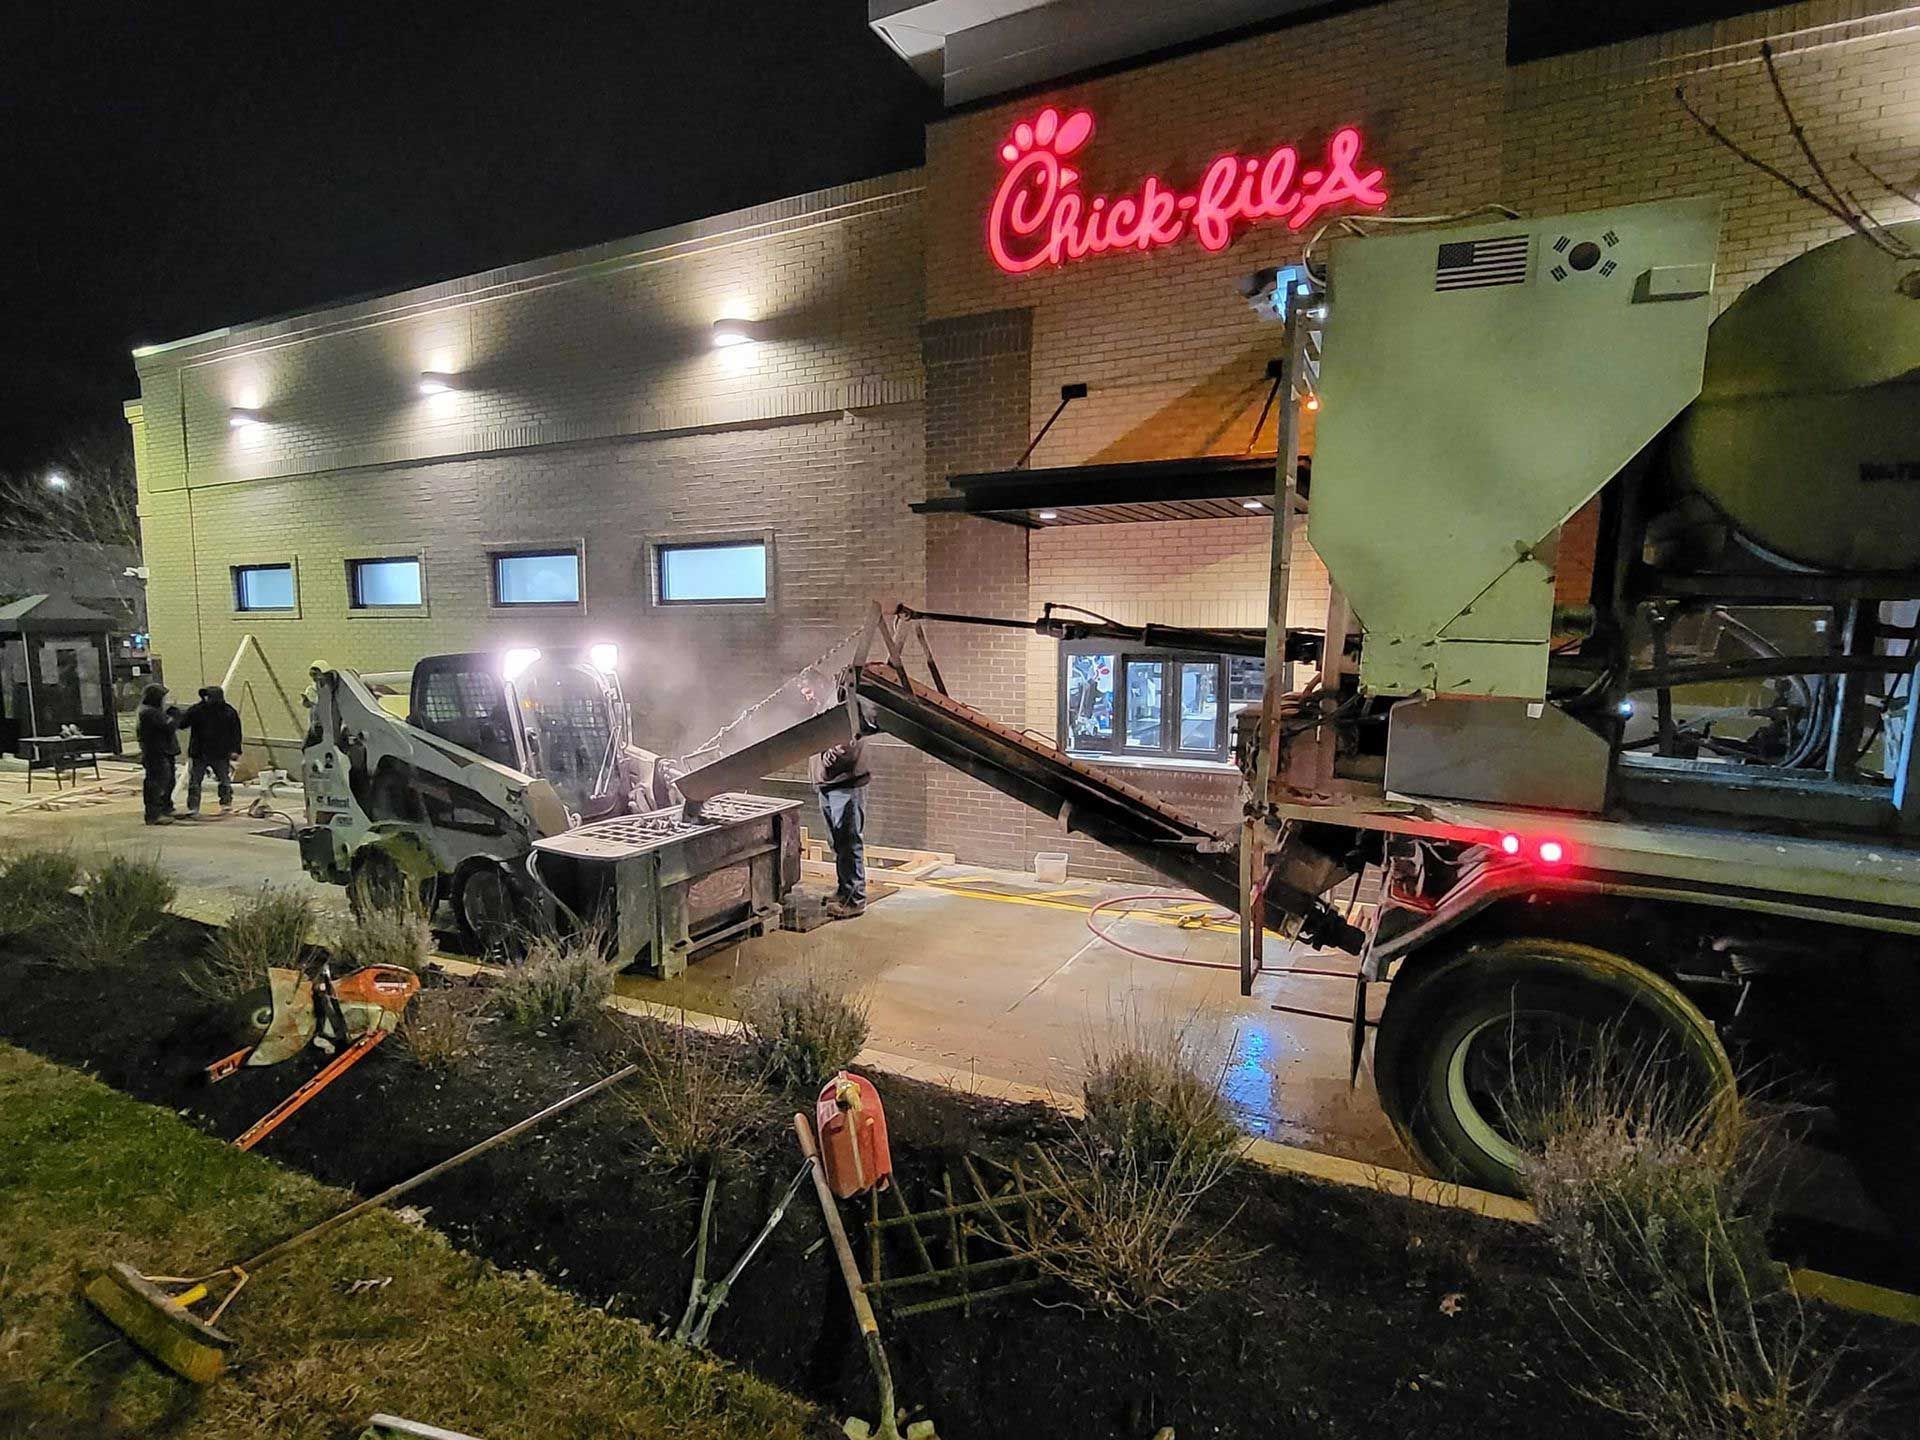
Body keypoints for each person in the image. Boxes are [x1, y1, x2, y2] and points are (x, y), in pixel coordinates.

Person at [799, 669, 873, 920]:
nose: (807, 697)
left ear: (819, 684)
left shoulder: (841, 701)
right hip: (829, 785)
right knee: (837, 842)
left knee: (849, 841)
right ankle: (844, 891)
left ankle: (855, 899)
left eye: (808, 691)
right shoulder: (822, 704)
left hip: (845, 784)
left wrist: (826, 765)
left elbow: (848, 742)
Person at [178, 683, 244, 816]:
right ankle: (193, 807)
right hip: (199, 752)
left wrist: (235, 750)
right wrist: (176, 715)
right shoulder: (197, 710)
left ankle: (226, 803)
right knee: (195, 782)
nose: (207, 699)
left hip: (220, 753)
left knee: (224, 780)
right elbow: (183, 723)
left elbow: (236, 732)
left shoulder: (228, 712)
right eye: (205, 696)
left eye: (209, 696)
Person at [135, 683, 180, 826]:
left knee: (168, 781)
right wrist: (174, 716)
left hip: (164, 751)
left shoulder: (154, 711)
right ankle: (154, 814)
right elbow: (168, 726)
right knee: (157, 783)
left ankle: (166, 807)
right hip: (155, 753)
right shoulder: (148, 712)